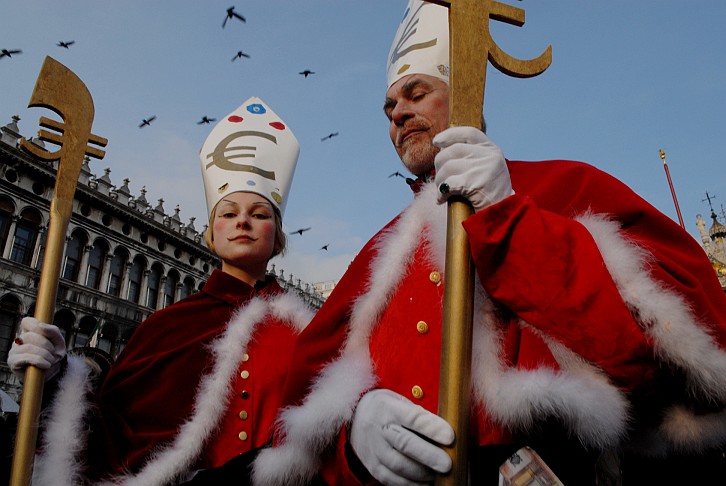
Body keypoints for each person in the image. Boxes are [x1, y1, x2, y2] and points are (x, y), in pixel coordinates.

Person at [251, 2, 726, 485]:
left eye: (416, 93)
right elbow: (303, 427)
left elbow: (659, 354)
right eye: (390, 107)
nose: (398, 114)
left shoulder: (565, 187)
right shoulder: (379, 254)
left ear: (466, 93)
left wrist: (510, 220)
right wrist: (352, 433)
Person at [8, 97, 314, 485]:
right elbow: (110, 440)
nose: (242, 223)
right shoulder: (167, 327)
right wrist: (56, 379)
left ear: (277, 237)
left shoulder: (308, 334)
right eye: (229, 213)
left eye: (258, 214)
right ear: (212, 233)